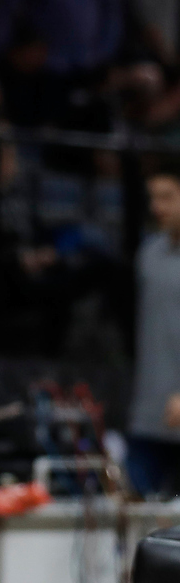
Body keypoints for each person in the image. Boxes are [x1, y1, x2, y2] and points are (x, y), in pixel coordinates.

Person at [127, 160, 180, 497]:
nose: (157, 207)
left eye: (167, 197)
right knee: (137, 515)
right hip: (148, 413)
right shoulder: (148, 254)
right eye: (153, 198)